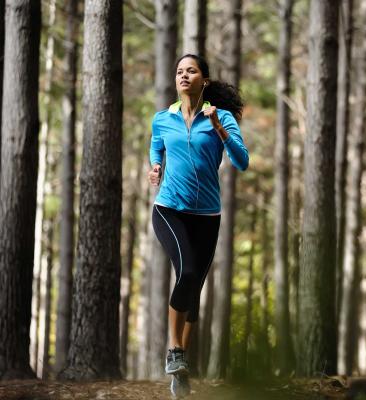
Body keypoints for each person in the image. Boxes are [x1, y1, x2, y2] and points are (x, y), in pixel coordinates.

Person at [148, 54, 248, 396]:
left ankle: (181, 369)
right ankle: (174, 351)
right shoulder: (164, 118)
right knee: (187, 273)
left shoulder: (223, 119)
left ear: (204, 79)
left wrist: (219, 126)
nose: (183, 75)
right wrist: (155, 167)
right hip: (169, 209)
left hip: (207, 215)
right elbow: (156, 147)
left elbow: (242, 161)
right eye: (179, 71)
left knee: (194, 293)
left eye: (191, 70)